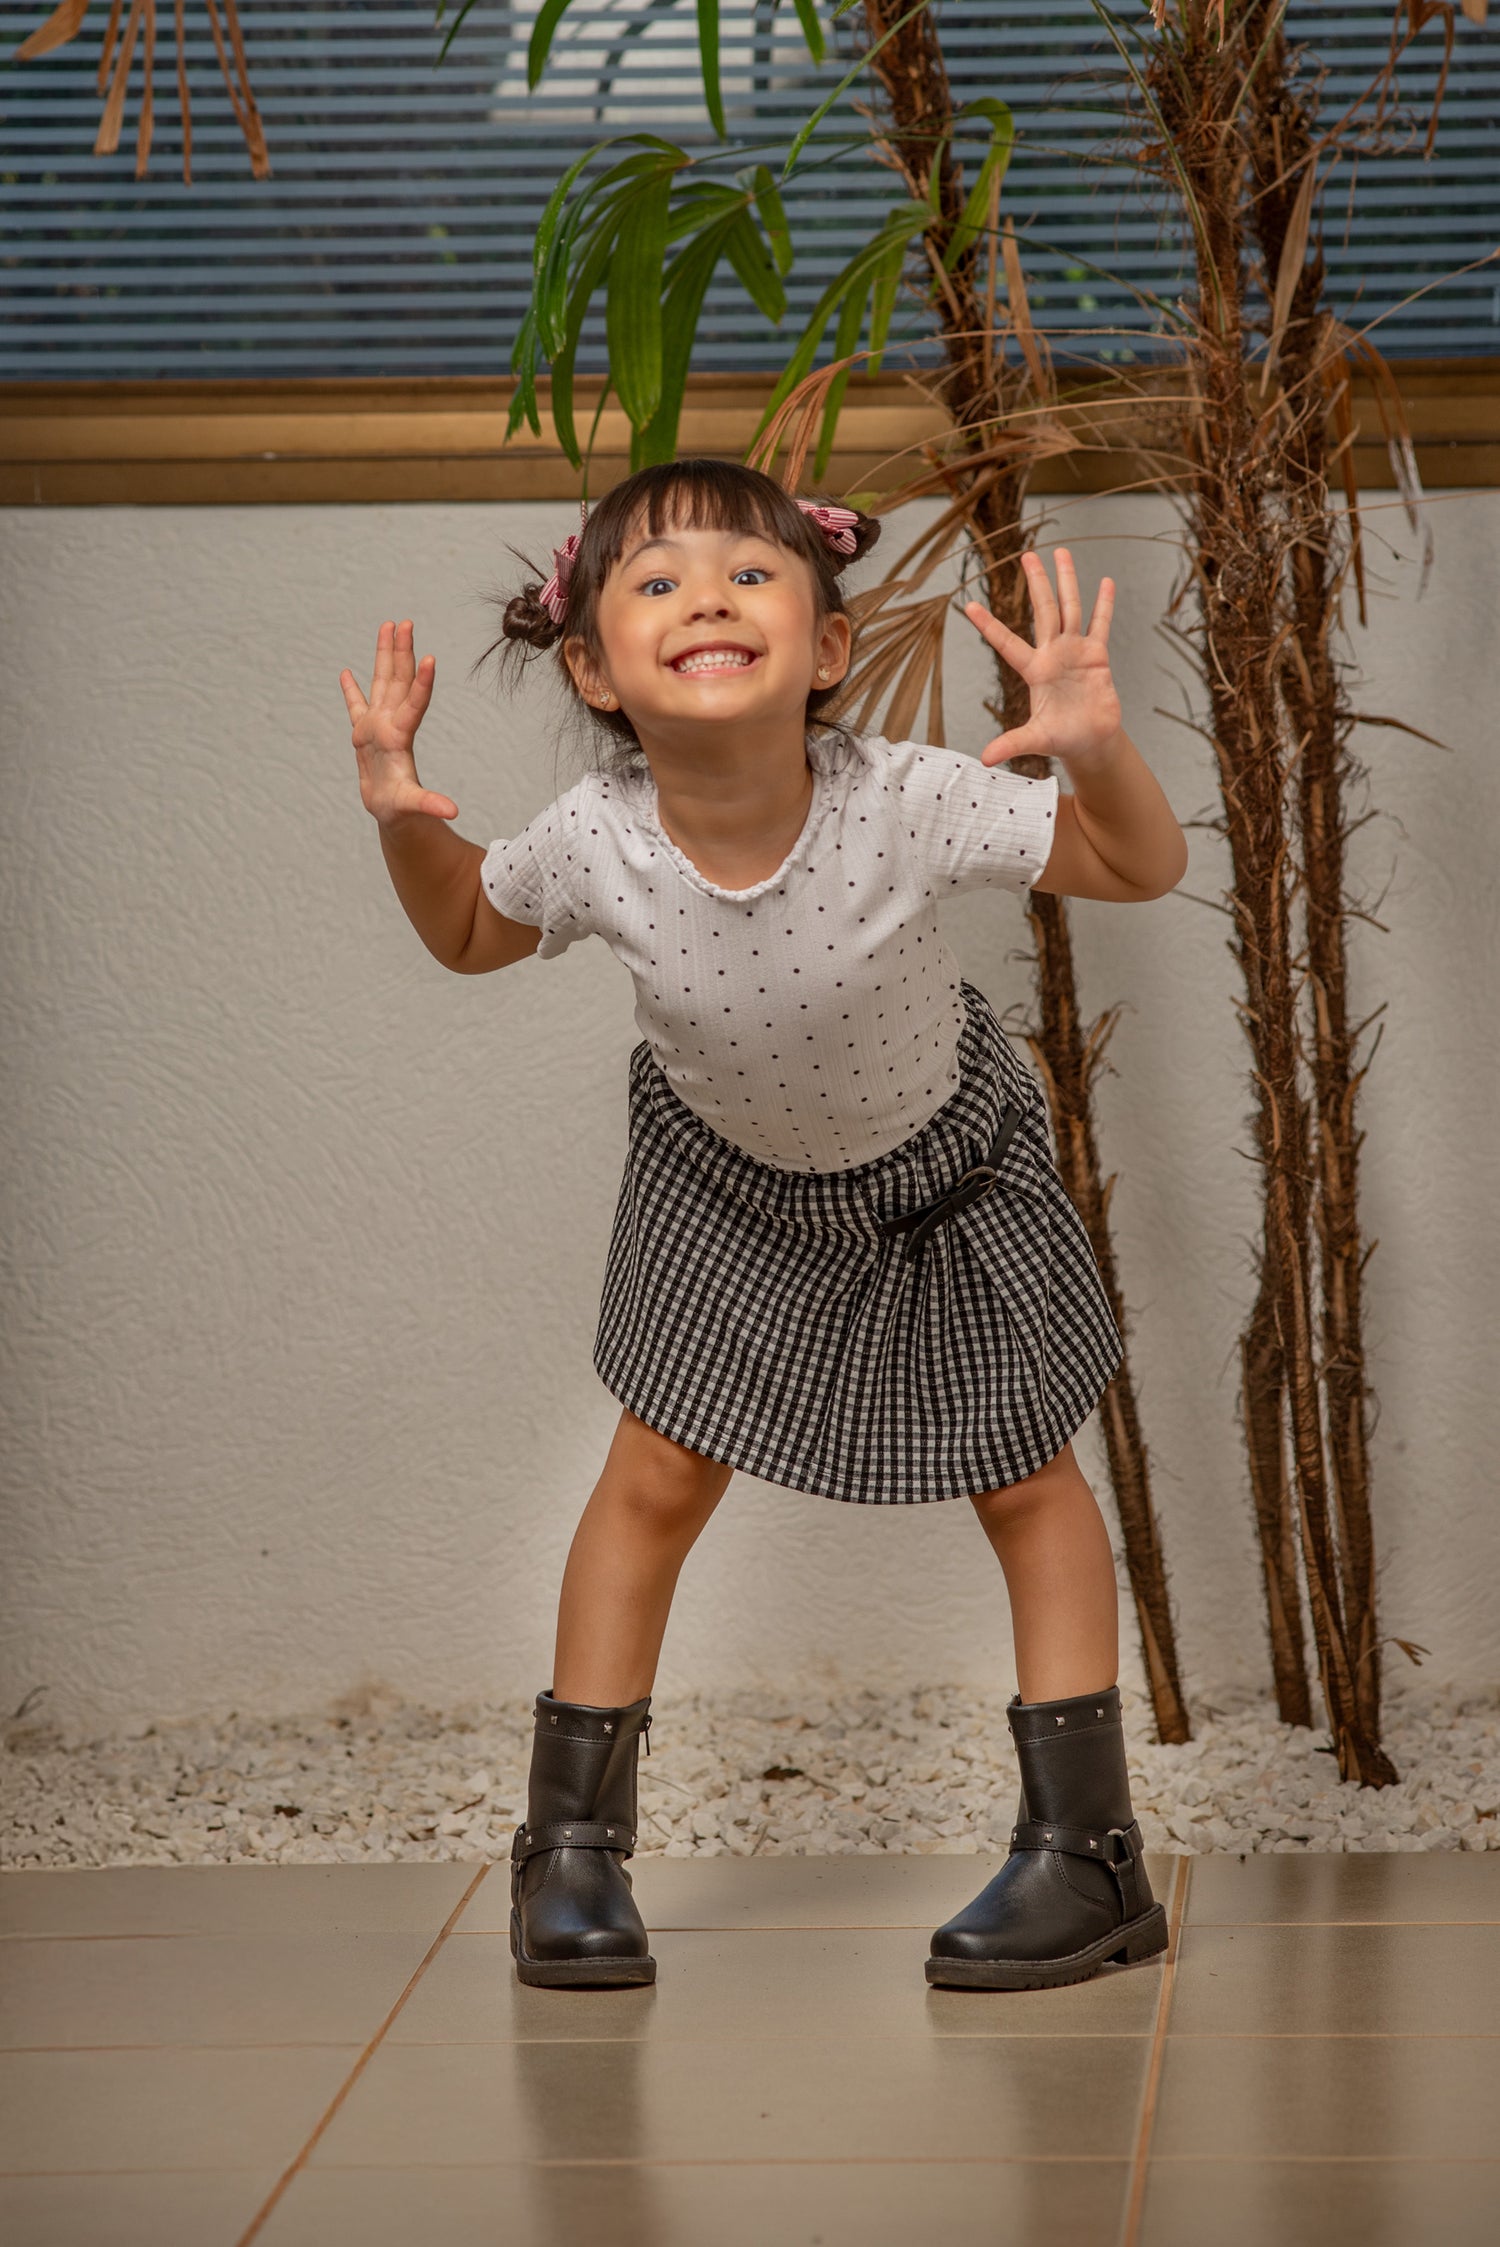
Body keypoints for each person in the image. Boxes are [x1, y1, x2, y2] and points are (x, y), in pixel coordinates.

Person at [339, 457, 1187, 1996]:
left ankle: (1089, 1857)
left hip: (944, 1169)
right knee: (652, 1477)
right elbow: (468, 931)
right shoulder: (596, 840)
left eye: (748, 573)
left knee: (1026, 1475)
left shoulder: (908, 800)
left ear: (830, 645)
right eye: (655, 584)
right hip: (721, 1181)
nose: (707, 597)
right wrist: (404, 815)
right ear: (593, 665)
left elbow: (1138, 861)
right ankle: (574, 1858)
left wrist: (1098, 750)